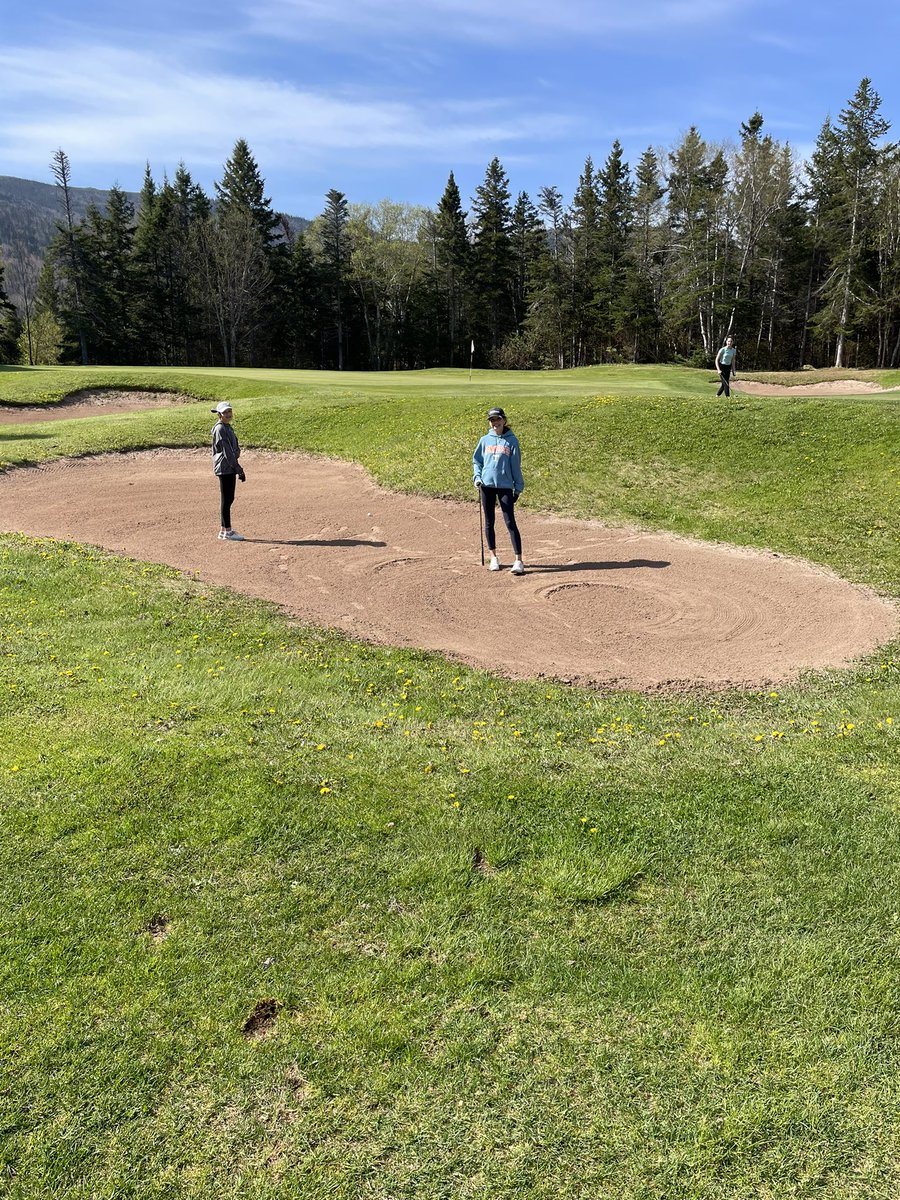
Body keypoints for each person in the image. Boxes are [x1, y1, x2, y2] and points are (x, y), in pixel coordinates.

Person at [473, 406, 525, 575]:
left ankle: (518, 560)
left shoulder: (512, 441)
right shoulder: (484, 440)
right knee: (489, 522)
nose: (495, 423)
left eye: (497, 419)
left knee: (510, 522)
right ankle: (493, 557)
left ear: (504, 420)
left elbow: (515, 466)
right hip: (486, 486)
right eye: (492, 420)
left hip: (505, 486)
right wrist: (477, 477)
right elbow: (477, 462)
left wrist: (518, 487)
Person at [211, 401, 245, 541]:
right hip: (225, 467)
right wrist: (239, 469)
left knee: (228, 498)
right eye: (225, 412)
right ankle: (227, 532)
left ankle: (224, 530)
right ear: (219, 414)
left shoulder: (226, 427)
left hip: (227, 467)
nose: (228, 414)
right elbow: (227, 452)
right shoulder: (220, 429)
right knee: (226, 499)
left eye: (229, 411)